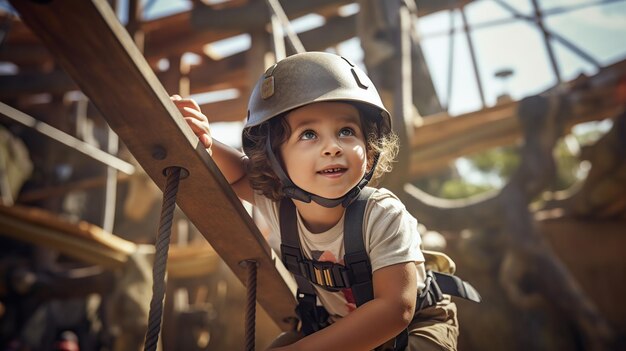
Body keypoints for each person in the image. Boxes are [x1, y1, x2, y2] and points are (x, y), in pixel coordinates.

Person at [172, 51, 459, 351]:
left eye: (346, 131)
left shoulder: (382, 214)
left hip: (417, 328)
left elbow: (395, 311)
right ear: (272, 159)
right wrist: (202, 138)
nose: (332, 147)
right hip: (337, 326)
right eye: (309, 134)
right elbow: (236, 172)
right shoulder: (279, 205)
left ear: (369, 147)